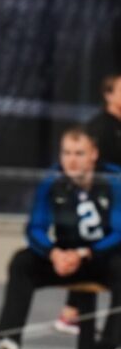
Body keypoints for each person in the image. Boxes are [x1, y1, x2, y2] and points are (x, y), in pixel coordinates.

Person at [0, 127, 121, 349]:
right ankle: (9, 345)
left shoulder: (113, 180)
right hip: (63, 259)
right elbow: (35, 227)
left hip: (101, 257)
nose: (72, 160)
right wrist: (54, 253)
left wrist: (85, 253)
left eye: (79, 153)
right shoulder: (51, 181)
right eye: (66, 153)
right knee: (22, 262)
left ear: (93, 155)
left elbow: (119, 230)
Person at [59, 74, 121, 332]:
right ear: (108, 95)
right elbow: (93, 170)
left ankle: (74, 313)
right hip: (96, 202)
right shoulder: (100, 128)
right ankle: (73, 313)